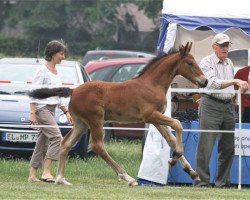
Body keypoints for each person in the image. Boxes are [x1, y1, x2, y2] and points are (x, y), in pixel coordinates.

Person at [194, 33, 249, 187]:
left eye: (227, 45)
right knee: (205, 147)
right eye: (222, 45)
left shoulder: (229, 62)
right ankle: (201, 183)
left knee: (228, 148)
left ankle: (222, 183)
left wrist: (237, 91)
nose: (226, 48)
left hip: (228, 107)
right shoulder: (205, 62)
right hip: (210, 104)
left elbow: (229, 86)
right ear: (214, 47)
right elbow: (212, 84)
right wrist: (236, 80)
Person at [28, 40, 73, 182]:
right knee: (57, 138)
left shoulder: (56, 71)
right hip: (42, 109)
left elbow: (58, 95)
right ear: (53, 54)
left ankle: (32, 175)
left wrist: (66, 112)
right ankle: (46, 172)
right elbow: (34, 91)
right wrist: (32, 112)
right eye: (61, 53)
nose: (63, 56)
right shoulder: (42, 70)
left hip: (52, 109)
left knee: (42, 143)